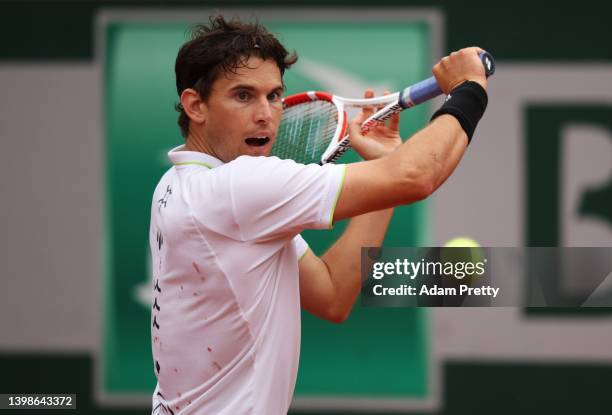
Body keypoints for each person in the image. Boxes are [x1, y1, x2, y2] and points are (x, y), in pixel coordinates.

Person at [149, 15, 489, 415]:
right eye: (243, 96)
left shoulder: (179, 184)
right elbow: (417, 175)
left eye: (274, 96)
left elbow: (332, 295)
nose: (265, 114)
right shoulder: (237, 189)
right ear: (195, 105)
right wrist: (469, 90)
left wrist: (385, 167)